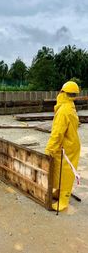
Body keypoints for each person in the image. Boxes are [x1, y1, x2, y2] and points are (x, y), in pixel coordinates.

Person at [45, 81, 81, 211]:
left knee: (65, 173)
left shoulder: (64, 111)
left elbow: (57, 134)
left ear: (63, 93)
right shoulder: (69, 106)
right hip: (70, 144)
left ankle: (64, 199)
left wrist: (49, 150)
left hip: (66, 146)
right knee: (59, 171)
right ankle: (60, 192)